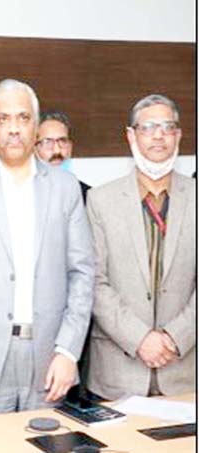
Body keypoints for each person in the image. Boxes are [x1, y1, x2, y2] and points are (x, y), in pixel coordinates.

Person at [0, 79, 93, 415]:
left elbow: (82, 274)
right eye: (3, 119)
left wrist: (68, 351)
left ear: (36, 127)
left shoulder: (66, 188)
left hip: (50, 359)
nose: (14, 129)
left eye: (23, 118)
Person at [85, 94, 195, 401]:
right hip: (117, 374)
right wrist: (140, 339)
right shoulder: (100, 200)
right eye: (148, 127)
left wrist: (175, 337)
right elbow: (93, 282)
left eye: (167, 126)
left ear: (178, 135)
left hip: (185, 372)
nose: (158, 135)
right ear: (131, 136)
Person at [35, 110, 91, 202]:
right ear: (34, 148)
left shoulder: (88, 196)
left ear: (70, 147)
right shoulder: (22, 193)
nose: (57, 150)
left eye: (63, 141)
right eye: (47, 142)